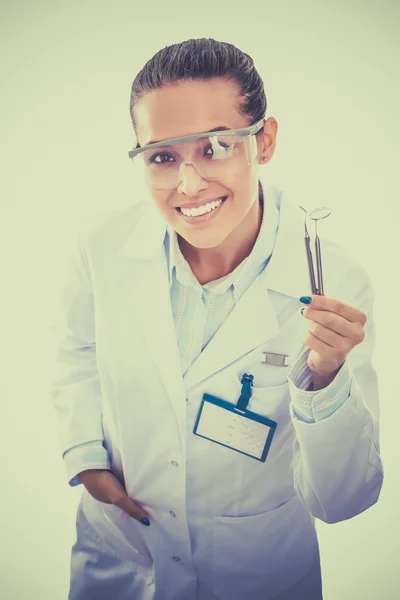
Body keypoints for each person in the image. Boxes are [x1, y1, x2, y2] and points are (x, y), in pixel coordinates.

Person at [51, 38, 384, 600]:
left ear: (266, 141)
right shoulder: (103, 245)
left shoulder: (335, 285)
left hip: (258, 574)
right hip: (123, 563)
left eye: (216, 147)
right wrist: (86, 459)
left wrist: (324, 379)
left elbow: (344, 500)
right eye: (162, 156)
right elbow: (77, 351)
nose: (189, 184)